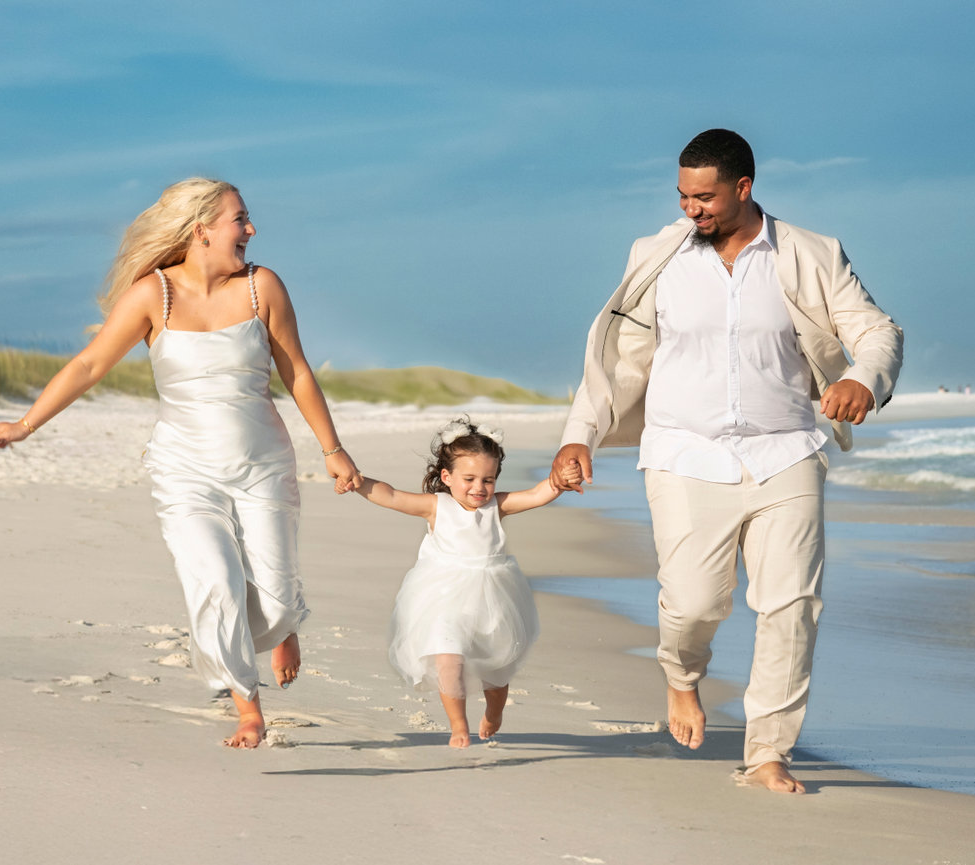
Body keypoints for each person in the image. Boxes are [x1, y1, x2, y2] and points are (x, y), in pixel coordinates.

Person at [550, 130, 903, 793]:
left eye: (704, 196)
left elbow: (876, 330)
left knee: (790, 605)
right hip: (683, 454)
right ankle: (681, 676)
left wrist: (863, 378)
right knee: (691, 604)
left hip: (785, 452)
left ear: (743, 187)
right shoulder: (657, 257)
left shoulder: (811, 254)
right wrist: (580, 435)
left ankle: (768, 750)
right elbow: (617, 363)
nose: (692, 209)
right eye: (682, 196)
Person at [0, 178, 360, 748]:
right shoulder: (151, 295)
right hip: (185, 469)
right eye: (241, 219)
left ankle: (283, 625)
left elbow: (297, 371)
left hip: (262, 464)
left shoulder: (263, 288)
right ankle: (248, 707)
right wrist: (24, 425)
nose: (251, 230)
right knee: (216, 583)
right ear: (201, 229)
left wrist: (333, 451)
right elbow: (88, 366)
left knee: (276, 598)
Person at [344, 418, 579, 748]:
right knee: (447, 659)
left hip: (493, 596)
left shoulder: (499, 506)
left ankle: (494, 713)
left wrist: (562, 480)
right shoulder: (437, 506)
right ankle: (458, 726)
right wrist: (357, 482)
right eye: (469, 479)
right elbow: (393, 495)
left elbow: (540, 493)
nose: (478, 488)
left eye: (488, 479)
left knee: (495, 668)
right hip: (443, 596)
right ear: (446, 477)